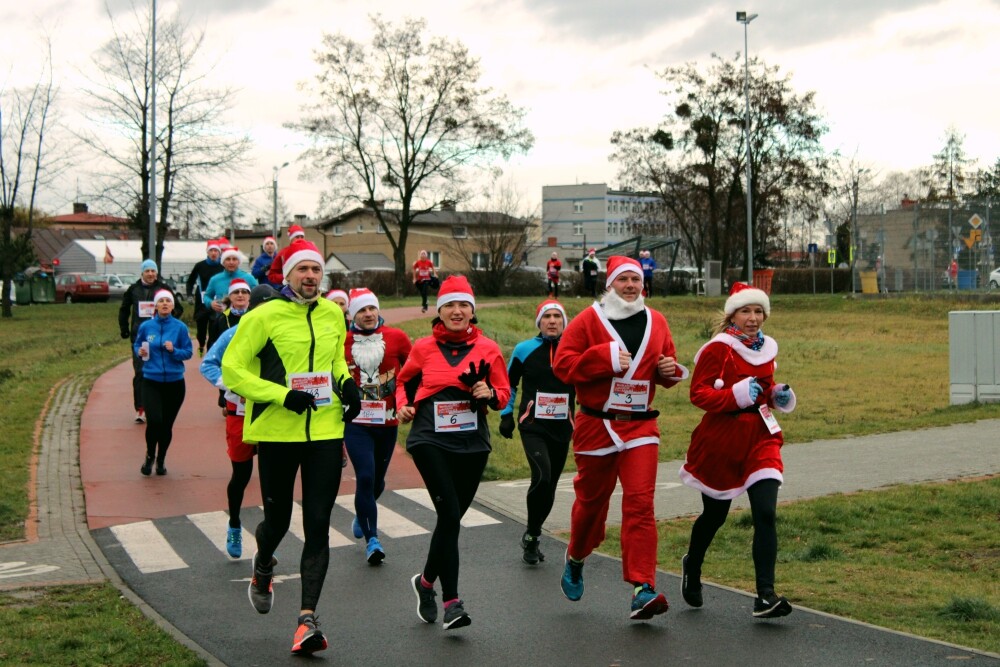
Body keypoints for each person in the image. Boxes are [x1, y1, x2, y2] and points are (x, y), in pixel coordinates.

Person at [222, 238, 361, 656]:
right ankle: (263, 564)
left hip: (325, 431)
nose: (310, 277)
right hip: (278, 432)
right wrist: (282, 395)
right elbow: (233, 370)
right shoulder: (263, 316)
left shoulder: (334, 313)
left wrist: (347, 382)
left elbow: (335, 359)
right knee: (278, 521)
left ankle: (306, 620)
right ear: (288, 275)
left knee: (319, 524)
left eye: (316, 270)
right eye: (302, 270)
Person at [552, 255, 687, 621]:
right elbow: (563, 365)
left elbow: (668, 364)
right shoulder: (587, 320)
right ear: (609, 284)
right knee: (592, 505)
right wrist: (604, 357)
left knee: (641, 503)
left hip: (641, 426)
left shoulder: (656, 320)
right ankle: (577, 555)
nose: (631, 286)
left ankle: (642, 587)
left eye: (636, 280)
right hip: (596, 425)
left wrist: (669, 371)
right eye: (623, 279)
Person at [396, 275, 510, 630]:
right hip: (430, 439)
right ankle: (452, 602)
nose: (457, 311)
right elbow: (404, 380)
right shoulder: (423, 348)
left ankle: (425, 582)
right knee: (449, 517)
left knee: (451, 520)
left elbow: (504, 394)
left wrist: (487, 392)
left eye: (463, 305)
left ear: (471, 311)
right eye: (450, 305)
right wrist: (403, 405)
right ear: (440, 310)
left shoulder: (489, 349)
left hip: (472, 443)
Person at [678, 281, 797, 619]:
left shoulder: (767, 348)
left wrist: (777, 395)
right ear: (733, 314)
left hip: (761, 436)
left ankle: (765, 595)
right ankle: (694, 564)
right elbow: (698, 395)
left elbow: (766, 388)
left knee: (765, 513)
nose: (754, 317)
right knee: (715, 516)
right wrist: (737, 394)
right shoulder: (719, 349)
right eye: (747, 310)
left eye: (759, 311)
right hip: (722, 439)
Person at [200, 284, 279, 558]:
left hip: (272, 415)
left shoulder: (282, 334)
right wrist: (230, 386)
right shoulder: (233, 334)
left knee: (273, 479)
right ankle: (234, 523)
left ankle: (267, 542)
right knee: (242, 476)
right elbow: (207, 364)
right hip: (241, 414)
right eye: (264, 308)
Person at [498, 299, 575, 565]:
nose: (552, 321)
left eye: (557, 317)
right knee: (541, 475)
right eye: (547, 317)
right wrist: (506, 415)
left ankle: (532, 534)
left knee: (550, 485)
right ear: (539, 322)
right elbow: (509, 384)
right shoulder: (524, 350)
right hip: (532, 425)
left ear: (564, 322)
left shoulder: (574, 350)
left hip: (562, 427)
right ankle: (532, 534)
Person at [343, 287, 412, 565]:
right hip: (356, 422)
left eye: (372, 308)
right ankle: (373, 540)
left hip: (387, 419)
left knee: (379, 480)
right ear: (352, 315)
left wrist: (410, 399)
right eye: (362, 310)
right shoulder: (342, 341)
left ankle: (363, 513)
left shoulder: (397, 338)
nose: (368, 314)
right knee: (367, 477)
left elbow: (414, 369)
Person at [133, 289, 193, 476]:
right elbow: (137, 344)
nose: (165, 303)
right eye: (161, 301)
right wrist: (139, 352)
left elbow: (188, 352)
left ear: (173, 305)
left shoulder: (180, 328)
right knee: (155, 421)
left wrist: (174, 350)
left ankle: (161, 459)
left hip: (175, 384)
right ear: (156, 306)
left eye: (168, 301)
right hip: (151, 381)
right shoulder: (146, 327)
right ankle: (150, 455)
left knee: (166, 425)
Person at [120, 259, 183, 423]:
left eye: (153, 271)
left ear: (156, 273)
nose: (150, 274)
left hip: (163, 337)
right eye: (147, 271)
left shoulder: (164, 289)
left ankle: (159, 405)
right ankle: (141, 408)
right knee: (141, 372)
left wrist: (169, 322)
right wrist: (124, 328)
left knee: (161, 371)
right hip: (141, 337)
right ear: (142, 273)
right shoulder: (133, 289)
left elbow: (178, 308)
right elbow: (124, 308)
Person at [207, 279, 253, 415]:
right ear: (230, 296)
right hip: (229, 363)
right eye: (236, 292)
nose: (240, 295)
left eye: (244, 292)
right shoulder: (221, 319)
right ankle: (228, 404)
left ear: (249, 296)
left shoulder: (255, 316)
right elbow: (213, 343)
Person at [186, 239, 225, 357]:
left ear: (219, 253)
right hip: (201, 302)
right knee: (201, 331)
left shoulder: (222, 267)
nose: (213, 253)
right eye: (211, 251)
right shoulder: (199, 266)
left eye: (216, 251)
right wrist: (189, 295)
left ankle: (209, 354)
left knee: (213, 330)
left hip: (216, 302)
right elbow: (190, 281)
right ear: (207, 252)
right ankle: (201, 344)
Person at [203, 246, 258, 314]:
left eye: (234, 259)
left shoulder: (249, 278)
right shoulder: (215, 279)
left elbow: (258, 296)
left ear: (238, 262)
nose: (231, 262)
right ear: (223, 262)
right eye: (228, 259)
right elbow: (206, 296)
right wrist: (211, 303)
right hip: (222, 318)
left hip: (245, 317)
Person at [266, 224, 307, 288]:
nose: (300, 239)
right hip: (288, 289)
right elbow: (272, 275)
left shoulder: (310, 252)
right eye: (297, 237)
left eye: (302, 237)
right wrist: (286, 278)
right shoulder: (283, 253)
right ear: (291, 239)